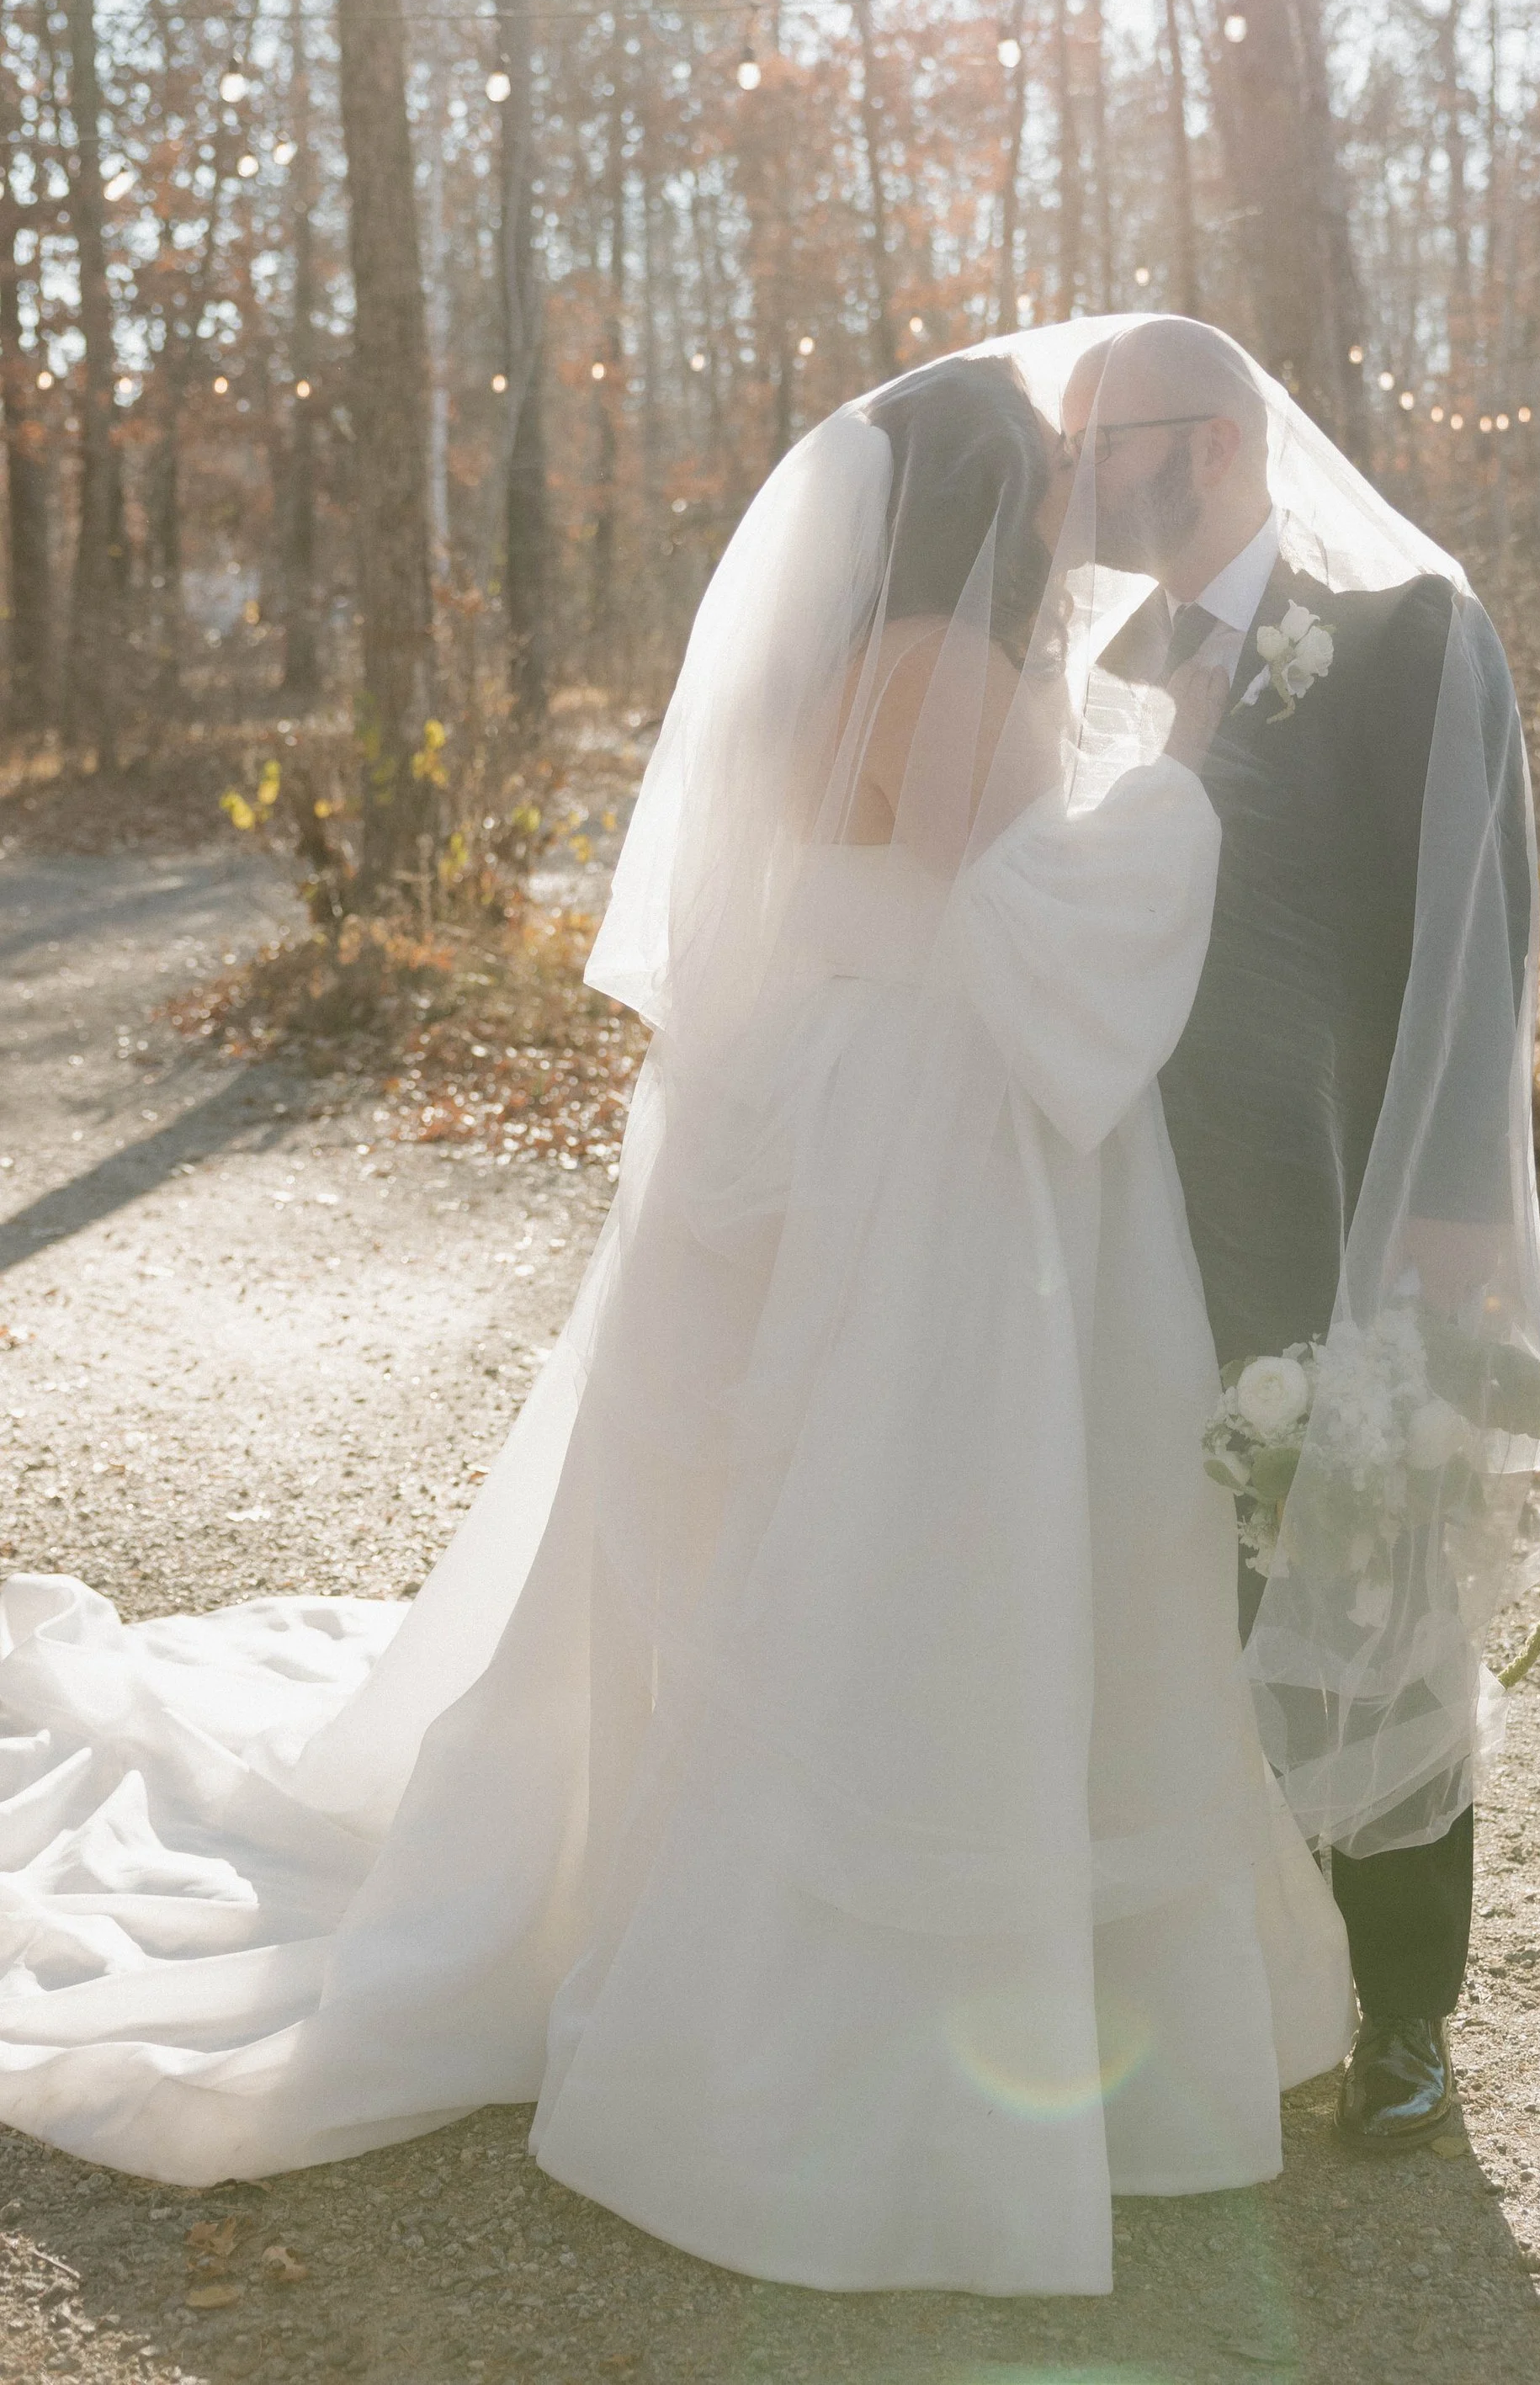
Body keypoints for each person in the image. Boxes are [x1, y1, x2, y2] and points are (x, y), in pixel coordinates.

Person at [0, 348, 1353, 2299]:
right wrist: (1192, 755)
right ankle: (796, 1983)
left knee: (783, 1505)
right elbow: (1041, 908)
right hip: (931, 1132)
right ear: (986, 499)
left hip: (845, 1093)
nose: (1074, 491)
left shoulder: (875, 656)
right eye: (1049, 470)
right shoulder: (934, 663)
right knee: (899, 1518)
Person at [1066, 316, 1540, 2151]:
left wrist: (1455, 1213)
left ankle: (1404, 2010)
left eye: (1112, 447)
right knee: (1173, 1572)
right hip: (1140, 1202)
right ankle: (1236, 1968)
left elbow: (1479, 936)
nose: (1084, 489)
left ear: (1219, 439)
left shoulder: (1403, 628)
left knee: (1368, 1578)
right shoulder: (1120, 655)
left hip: (1351, 1192)